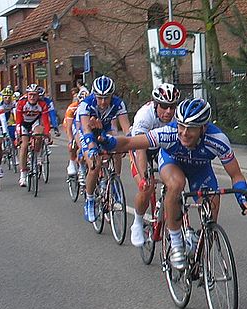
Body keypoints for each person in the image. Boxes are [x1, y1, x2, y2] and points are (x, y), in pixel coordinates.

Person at [95, 97, 247, 269]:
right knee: (176, 184)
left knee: (211, 209)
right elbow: (130, 142)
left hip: (200, 170)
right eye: (181, 126)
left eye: (191, 128)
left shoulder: (217, 139)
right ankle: (177, 242)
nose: (184, 133)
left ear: (203, 128)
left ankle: (200, 254)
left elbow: (236, 175)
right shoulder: (168, 133)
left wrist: (242, 198)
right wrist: (108, 141)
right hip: (172, 162)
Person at [129, 83, 181, 247]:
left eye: (172, 107)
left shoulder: (177, 115)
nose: (168, 112)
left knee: (177, 184)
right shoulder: (144, 116)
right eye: (164, 107)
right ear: (156, 104)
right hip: (142, 147)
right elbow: (140, 150)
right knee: (146, 187)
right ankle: (137, 222)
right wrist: (144, 177)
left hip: (163, 148)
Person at [76, 75, 131, 222]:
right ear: (94, 95)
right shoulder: (86, 104)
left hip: (104, 130)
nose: (103, 102)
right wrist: (92, 148)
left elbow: (126, 129)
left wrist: (131, 143)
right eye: (100, 98)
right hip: (85, 131)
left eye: (106, 98)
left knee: (117, 149)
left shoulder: (118, 104)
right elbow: (86, 131)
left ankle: (115, 183)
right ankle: (90, 199)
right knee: (95, 164)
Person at [15, 83, 51, 187]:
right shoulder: (21, 103)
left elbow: (45, 121)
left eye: (34, 95)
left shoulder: (42, 104)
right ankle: (23, 174)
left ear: (38, 95)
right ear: (27, 95)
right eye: (30, 95)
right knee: (24, 146)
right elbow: (18, 120)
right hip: (24, 123)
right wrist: (18, 133)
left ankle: (37, 155)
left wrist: (47, 133)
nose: (32, 97)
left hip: (35, 122)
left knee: (39, 134)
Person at [64, 88, 89, 176]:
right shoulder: (72, 107)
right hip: (73, 124)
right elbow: (69, 127)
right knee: (76, 145)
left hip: (85, 123)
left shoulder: (91, 106)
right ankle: (72, 162)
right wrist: (71, 140)